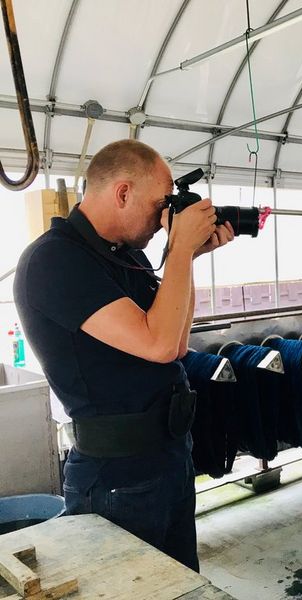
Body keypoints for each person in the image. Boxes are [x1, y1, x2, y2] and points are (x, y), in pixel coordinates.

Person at [14, 139, 234, 571]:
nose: (164, 218)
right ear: (122, 193)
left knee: (180, 585)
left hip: (167, 457)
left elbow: (179, 340)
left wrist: (185, 257)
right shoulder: (55, 261)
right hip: (117, 477)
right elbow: (160, 344)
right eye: (160, 204)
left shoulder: (125, 256)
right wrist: (180, 253)